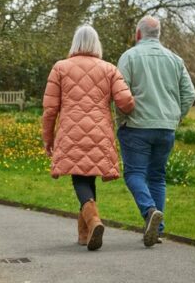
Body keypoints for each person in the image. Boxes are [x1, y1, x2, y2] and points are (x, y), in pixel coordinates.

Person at [42, 25, 135, 251]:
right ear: (97, 44)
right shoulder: (109, 69)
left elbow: (50, 108)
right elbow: (126, 102)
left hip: (70, 131)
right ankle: (85, 235)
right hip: (99, 130)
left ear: (75, 43)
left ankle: (93, 221)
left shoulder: (60, 68)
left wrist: (48, 137)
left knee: (79, 176)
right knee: (88, 175)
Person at [117, 16, 195, 247]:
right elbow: (189, 94)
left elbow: (121, 94)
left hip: (137, 126)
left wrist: (121, 120)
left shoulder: (129, 57)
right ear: (158, 34)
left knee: (134, 174)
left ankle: (150, 211)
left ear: (138, 34)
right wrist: (176, 117)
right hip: (165, 127)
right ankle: (157, 229)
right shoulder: (175, 59)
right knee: (157, 176)